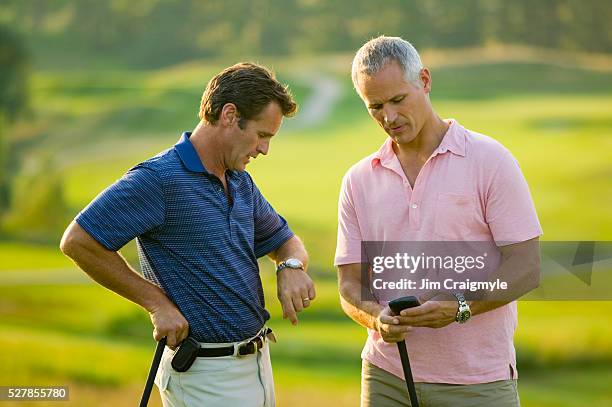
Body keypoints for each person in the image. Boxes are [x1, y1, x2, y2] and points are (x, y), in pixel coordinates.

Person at [60, 62, 316, 407]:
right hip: (204, 375)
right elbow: (78, 241)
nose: (264, 149)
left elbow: (286, 241)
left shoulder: (240, 180)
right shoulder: (159, 179)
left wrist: (290, 267)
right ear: (229, 115)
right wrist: (156, 303)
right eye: (262, 135)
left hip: (257, 364)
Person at [335, 36, 542, 406]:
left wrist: (461, 304)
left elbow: (527, 266)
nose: (390, 118)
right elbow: (349, 285)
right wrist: (374, 319)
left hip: (478, 381)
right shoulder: (358, 179)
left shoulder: (490, 160)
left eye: (398, 100)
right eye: (376, 106)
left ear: (425, 81)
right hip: (386, 377)